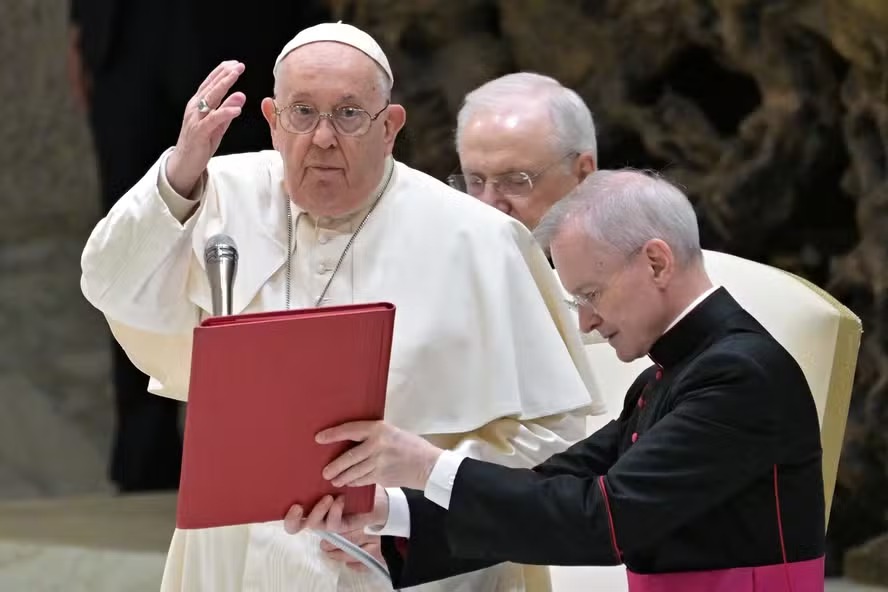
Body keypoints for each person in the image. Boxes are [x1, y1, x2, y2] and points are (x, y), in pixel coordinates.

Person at [79, 22, 605, 592]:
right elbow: (108, 282)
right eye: (302, 112)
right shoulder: (215, 193)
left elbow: (552, 436)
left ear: (391, 127)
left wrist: (412, 502)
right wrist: (178, 172)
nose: (323, 137)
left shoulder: (476, 238)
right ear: (273, 121)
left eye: (349, 114)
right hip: (239, 550)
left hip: (401, 558)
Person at [288, 169, 827, 592]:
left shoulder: (739, 377)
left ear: (657, 263)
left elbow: (603, 519)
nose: (586, 321)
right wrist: (390, 512)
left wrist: (427, 464)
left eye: (590, 294)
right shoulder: (671, 376)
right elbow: (553, 484)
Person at [67, 0, 330, 492]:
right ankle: (145, 453)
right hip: (125, 39)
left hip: (241, 32)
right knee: (138, 231)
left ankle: (252, 443)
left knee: (251, 233)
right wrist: (82, 26)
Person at [446, 72, 597, 232]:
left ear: (583, 175)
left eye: (516, 181)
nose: (488, 205)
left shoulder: (622, 254)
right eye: (475, 182)